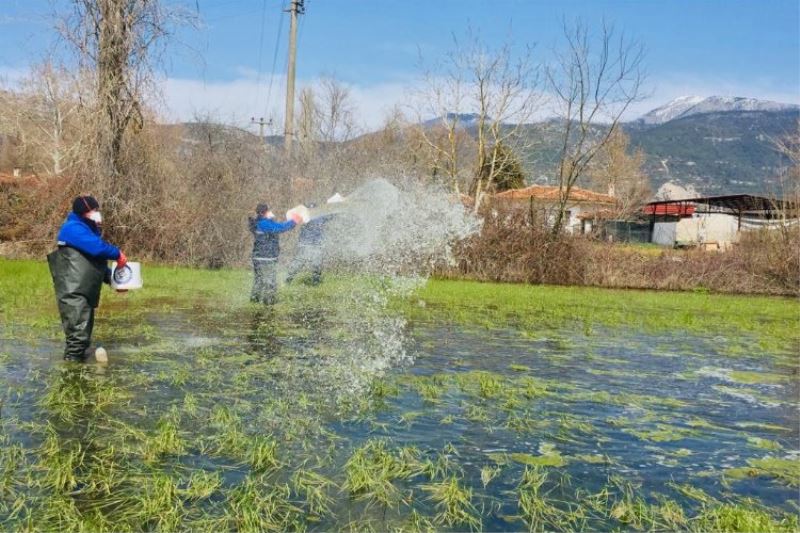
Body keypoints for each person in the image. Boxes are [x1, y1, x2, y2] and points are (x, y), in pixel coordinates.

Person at [47, 195, 126, 362]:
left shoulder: (87, 231)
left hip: (84, 290)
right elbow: (98, 249)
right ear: (85, 212)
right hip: (73, 291)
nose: (98, 213)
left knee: (83, 335)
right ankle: (72, 375)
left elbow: (96, 263)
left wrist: (115, 281)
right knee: (77, 337)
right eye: (94, 210)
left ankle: (80, 369)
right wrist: (117, 254)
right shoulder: (73, 228)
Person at [248, 203, 302, 304]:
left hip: (258, 257)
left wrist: (270, 219)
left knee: (259, 281)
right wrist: (294, 221)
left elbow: (273, 228)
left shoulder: (259, 222)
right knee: (270, 282)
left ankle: (254, 301)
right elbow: (280, 227)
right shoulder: (264, 223)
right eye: (269, 211)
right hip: (266, 258)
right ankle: (269, 302)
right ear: (265, 212)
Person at [286, 203, 332, 286]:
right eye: (310, 209)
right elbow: (295, 219)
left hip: (317, 244)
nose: (312, 211)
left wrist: (335, 203)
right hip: (305, 244)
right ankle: (288, 279)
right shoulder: (303, 217)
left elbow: (332, 214)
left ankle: (316, 282)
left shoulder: (321, 216)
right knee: (298, 263)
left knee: (316, 264)